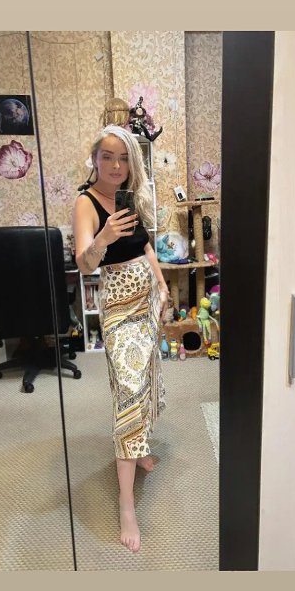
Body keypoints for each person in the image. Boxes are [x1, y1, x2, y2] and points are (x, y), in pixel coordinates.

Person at [72, 124, 169, 553]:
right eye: (108, 156)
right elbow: (84, 264)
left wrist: (162, 285)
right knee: (128, 392)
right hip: (118, 309)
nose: (116, 166)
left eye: (124, 158)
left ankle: (140, 448)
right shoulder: (87, 202)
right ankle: (126, 504)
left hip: (147, 302)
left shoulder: (131, 197)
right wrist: (104, 236)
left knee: (145, 381)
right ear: (95, 159)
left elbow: (146, 247)